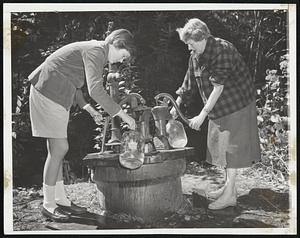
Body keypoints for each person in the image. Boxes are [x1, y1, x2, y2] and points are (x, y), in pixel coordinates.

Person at [28, 29, 136, 222]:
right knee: (59, 149)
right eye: (123, 55)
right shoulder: (97, 50)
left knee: (56, 151)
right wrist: (123, 115)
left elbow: (73, 79)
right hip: (47, 90)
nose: (121, 61)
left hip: (57, 93)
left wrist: (89, 109)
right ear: (118, 43)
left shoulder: (97, 52)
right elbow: (95, 89)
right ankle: (48, 205)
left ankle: (59, 199)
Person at [171, 18, 261, 210]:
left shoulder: (222, 50)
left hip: (238, 103)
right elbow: (188, 83)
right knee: (222, 149)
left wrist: (201, 116)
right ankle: (229, 189)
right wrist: (176, 105)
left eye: (191, 43)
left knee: (232, 150)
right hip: (219, 106)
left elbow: (218, 88)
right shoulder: (196, 54)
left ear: (202, 37)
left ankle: (229, 195)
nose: (189, 48)